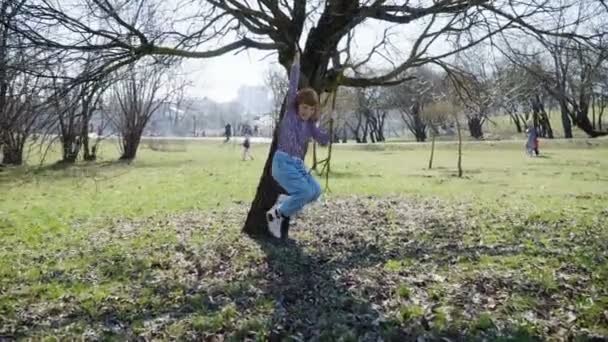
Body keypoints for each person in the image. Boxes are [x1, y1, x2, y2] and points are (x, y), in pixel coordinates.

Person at [265, 49, 330, 238]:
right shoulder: (290, 114)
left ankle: (285, 201)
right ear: (297, 105)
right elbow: (293, 86)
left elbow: (323, 140)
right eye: (304, 107)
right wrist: (295, 64)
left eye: (311, 109)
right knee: (303, 193)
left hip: (297, 165)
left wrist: (327, 127)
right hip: (282, 163)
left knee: (316, 191)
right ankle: (276, 213)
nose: (306, 111)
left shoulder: (310, 125)